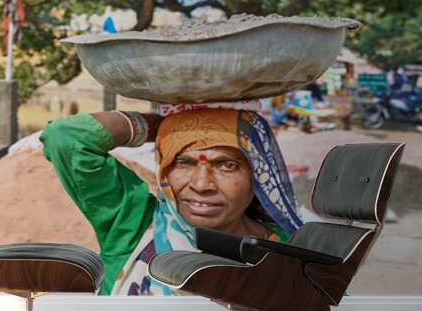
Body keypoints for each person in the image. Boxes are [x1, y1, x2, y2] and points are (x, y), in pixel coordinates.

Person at [40, 107, 302, 296]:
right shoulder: (136, 228)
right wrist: (160, 126)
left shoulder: (288, 256)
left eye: (227, 165)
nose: (201, 185)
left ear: (258, 174)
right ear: (164, 170)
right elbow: (65, 137)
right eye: (183, 162)